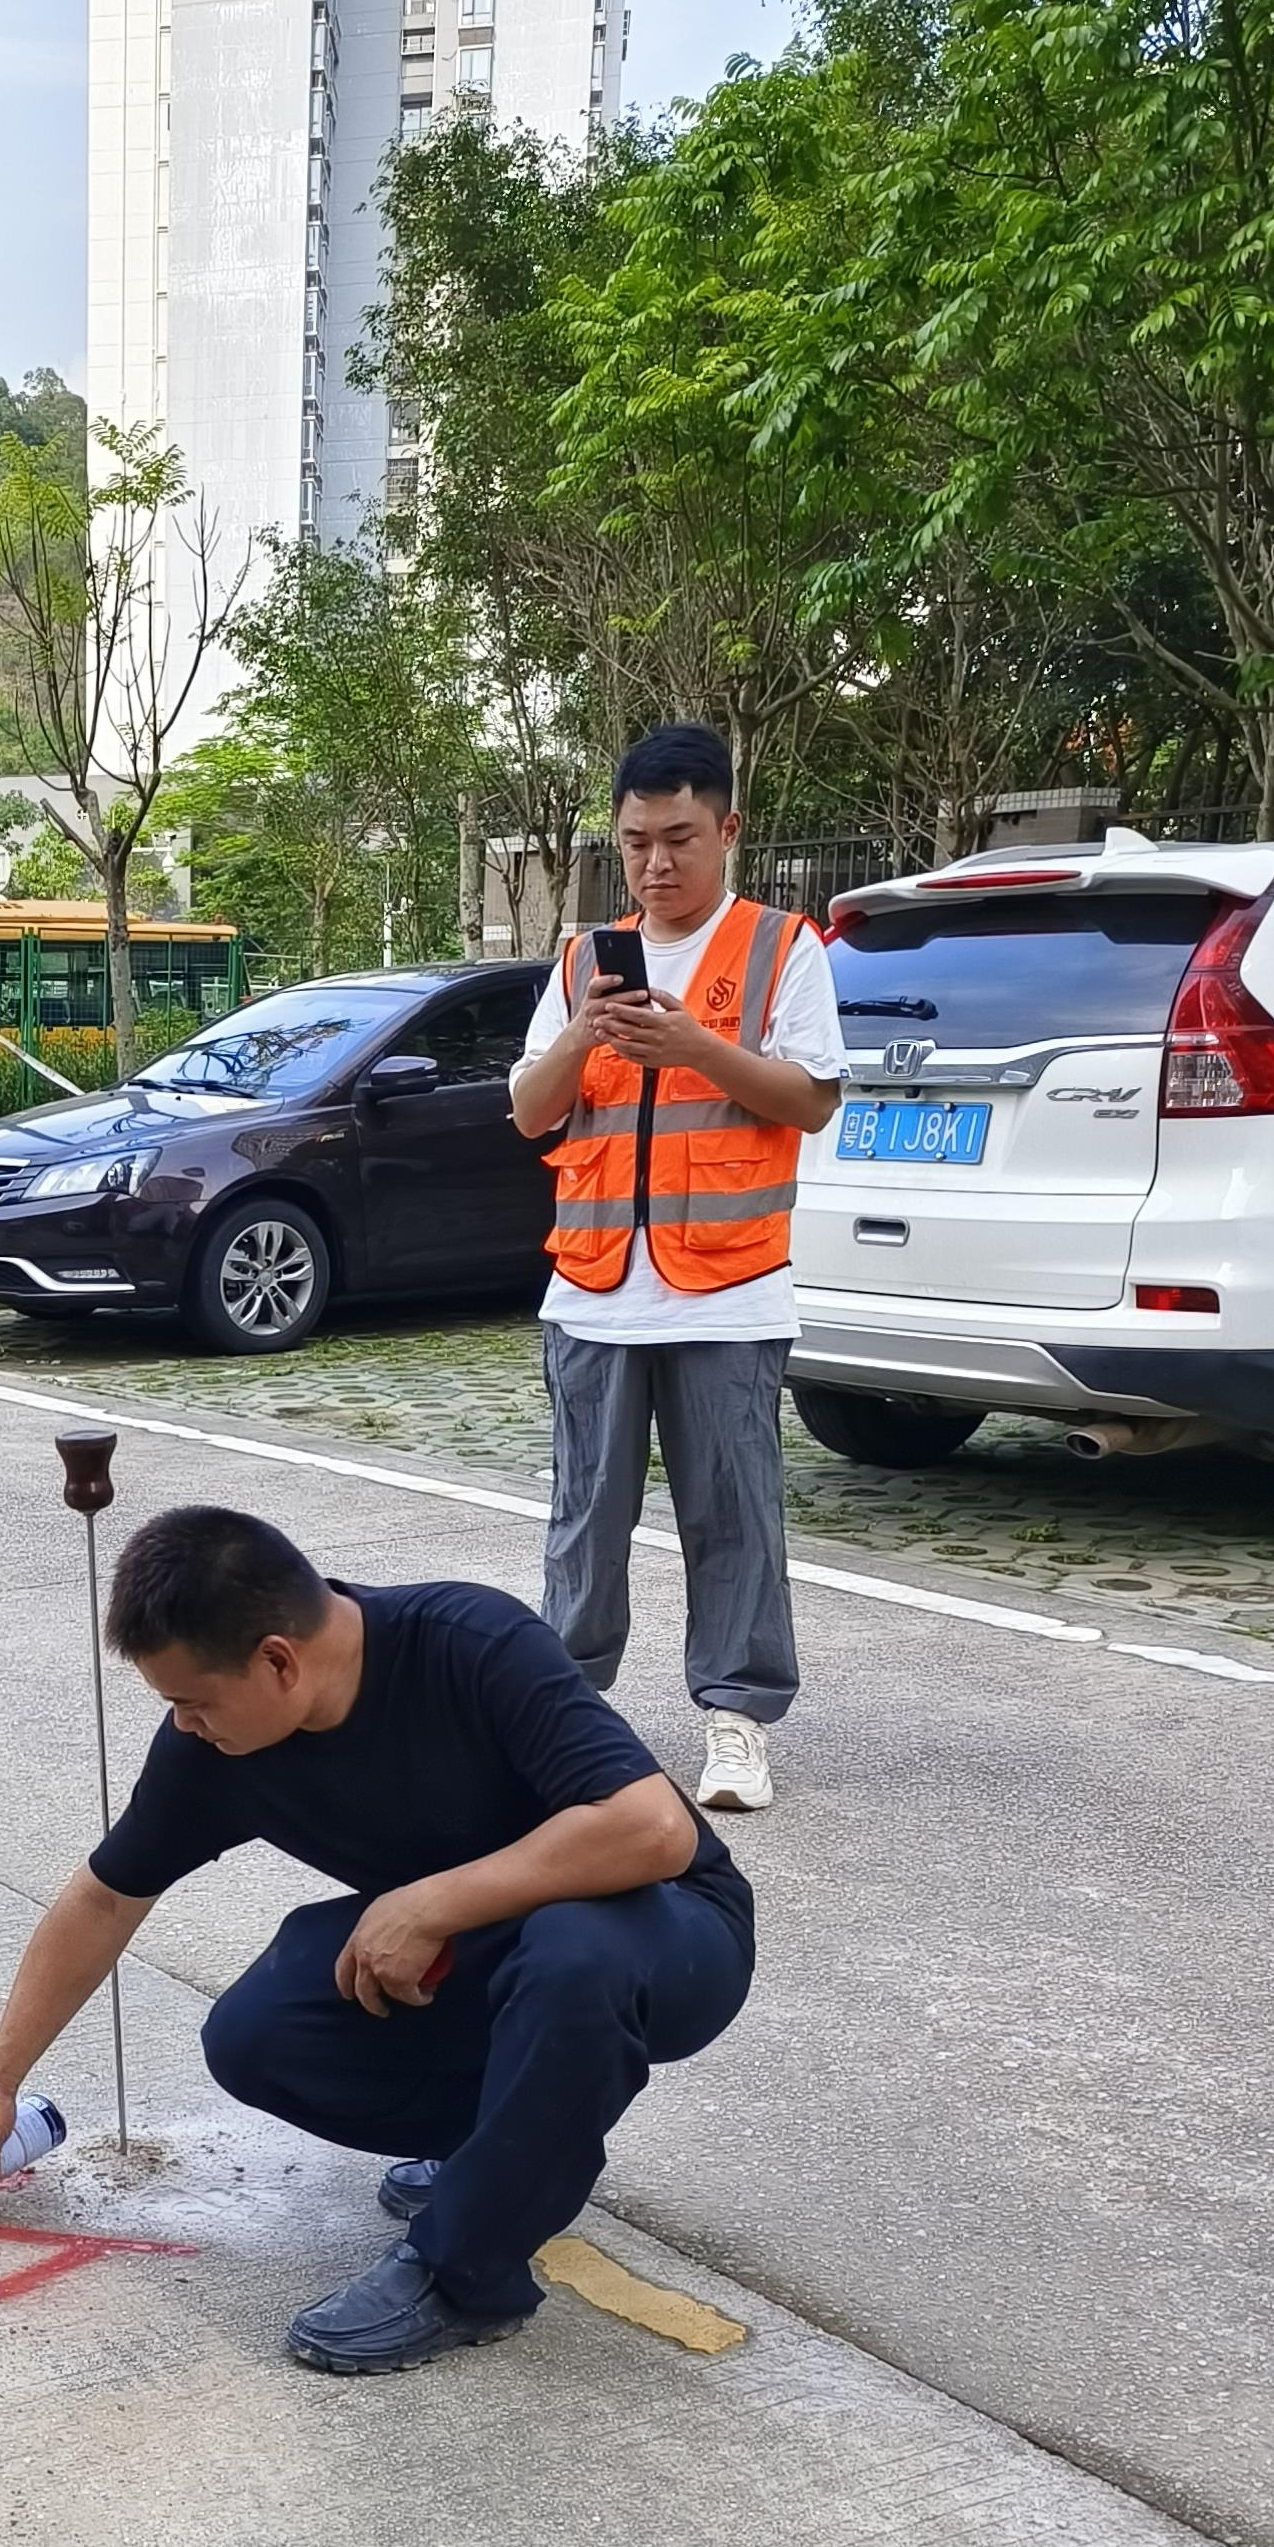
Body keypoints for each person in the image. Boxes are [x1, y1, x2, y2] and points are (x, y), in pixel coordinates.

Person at [0, 1505, 754, 2374]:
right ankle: (512, 2154)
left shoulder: (470, 1641)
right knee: (261, 2034)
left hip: (668, 1930)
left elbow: (654, 1832)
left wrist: (432, 1902)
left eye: (194, 1702)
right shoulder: (214, 1746)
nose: (185, 1726)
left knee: (573, 1952)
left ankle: (463, 2276)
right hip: (497, 1952)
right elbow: (104, 1900)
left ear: (278, 1659)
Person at [508, 723, 847, 1816]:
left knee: (734, 1511)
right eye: (635, 842)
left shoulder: (781, 949)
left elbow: (812, 1097)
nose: (655, 865)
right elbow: (529, 1109)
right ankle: (566, 1721)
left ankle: (738, 1723)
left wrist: (692, 1045)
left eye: (679, 839)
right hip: (596, 1291)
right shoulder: (579, 960)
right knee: (584, 1520)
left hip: (731, 1290)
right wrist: (584, 1037)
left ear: (728, 831)